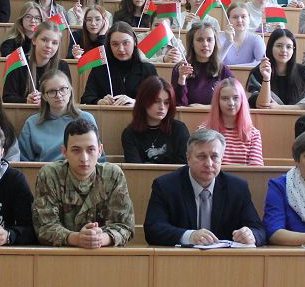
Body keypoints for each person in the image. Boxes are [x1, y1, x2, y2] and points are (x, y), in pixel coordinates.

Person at [144, 128, 265, 246]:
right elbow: (153, 229)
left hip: (224, 258)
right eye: (202, 156)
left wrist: (251, 235)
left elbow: (259, 230)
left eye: (214, 156)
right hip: (180, 257)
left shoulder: (237, 188)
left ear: (221, 158)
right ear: (188, 158)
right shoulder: (166, 186)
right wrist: (190, 236)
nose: (209, 163)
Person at [32, 118, 135, 248]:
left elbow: (125, 226)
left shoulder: (113, 175)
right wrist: (77, 239)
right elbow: (44, 227)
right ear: (64, 152)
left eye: (90, 150)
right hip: (61, 255)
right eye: (76, 150)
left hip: (103, 253)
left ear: (100, 150)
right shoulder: (50, 175)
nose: (84, 158)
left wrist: (100, 239)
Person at [19, 70, 97, 162]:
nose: (58, 95)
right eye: (52, 91)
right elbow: (23, 161)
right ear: (44, 96)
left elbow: (98, 157)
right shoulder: (32, 123)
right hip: (43, 170)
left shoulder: (86, 118)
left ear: (70, 91)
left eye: (63, 89)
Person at [81, 22, 157, 105]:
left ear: (135, 42)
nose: (121, 49)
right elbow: (86, 98)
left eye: (126, 43)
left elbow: (156, 99)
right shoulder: (100, 69)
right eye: (115, 44)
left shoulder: (148, 69)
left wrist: (135, 102)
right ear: (109, 45)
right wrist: (99, 101)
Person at [122, 76, 189, 164]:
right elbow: (136, 169)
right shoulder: (130, 133)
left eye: (166, 102)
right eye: (156, 101)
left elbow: (184, 166)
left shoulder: (179, 129)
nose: (162, 107)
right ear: (143, 102)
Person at [3, 20, 70, 104]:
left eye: (54, 43)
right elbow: (7, 97)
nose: (49, 46)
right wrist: (26, 101)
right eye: (44, 40)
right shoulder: (19, 63)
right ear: (34, 40)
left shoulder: (62, 66)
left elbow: (68, 96)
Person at [200, 78, 263, 166]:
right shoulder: (203, 131)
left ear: (242, 100)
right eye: (225, 98)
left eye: (236, 98)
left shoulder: (253, 134)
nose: (231, 103)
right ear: (217, 101)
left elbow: (255, 170)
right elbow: (200, 165)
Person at [171, 21, 234, 105]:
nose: (205, 44)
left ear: (215, 43)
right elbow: (179, 105)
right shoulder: (181, 68)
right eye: (200, 40)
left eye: (209, 40)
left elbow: (235, 101)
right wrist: (181, 80)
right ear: (192, 43)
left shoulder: (223, 70)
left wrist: (205, 108)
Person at [249, 28, 305, 109]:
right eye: (279, 46)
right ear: (271, 47)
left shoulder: (303, 73)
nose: (284, 50)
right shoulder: (258, 72)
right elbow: (263, 105)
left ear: (293, 50)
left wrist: (280, 108)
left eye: (289, 47)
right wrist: (266, 78)